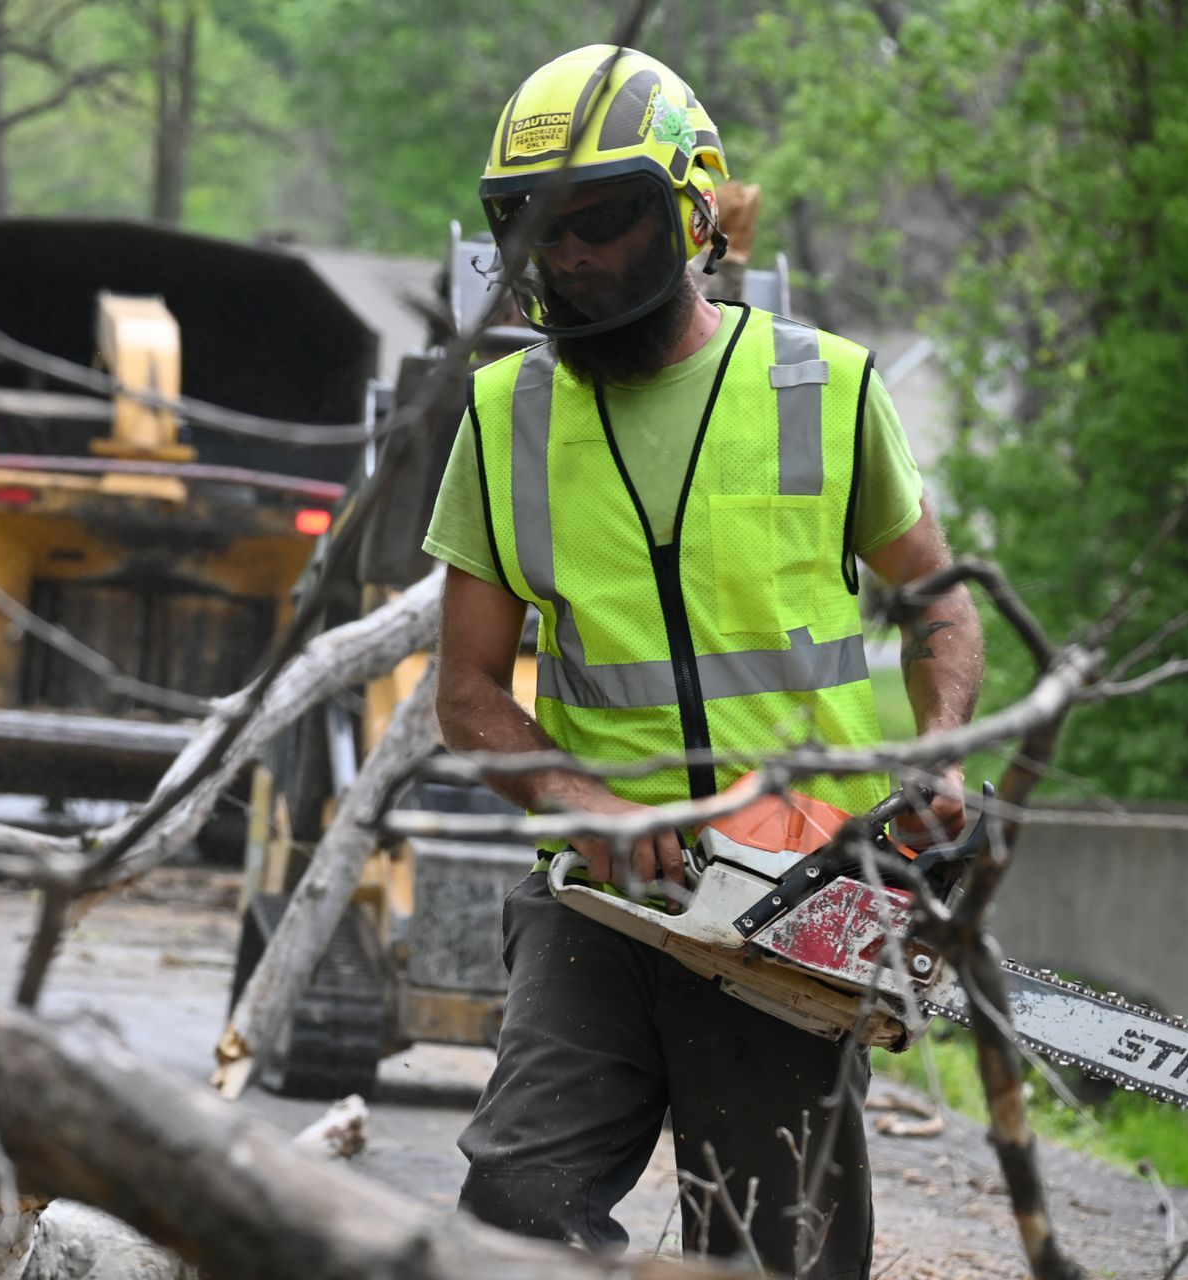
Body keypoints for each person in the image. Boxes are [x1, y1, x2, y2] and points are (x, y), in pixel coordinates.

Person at [424, 44, 984, 1278]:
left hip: (797, 900)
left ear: (690, 208)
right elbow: (465, 689)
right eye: (534, 229)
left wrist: (937, 754)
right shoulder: (505, 414)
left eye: (601, 219)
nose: (567, 256)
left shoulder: (823, 387)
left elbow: (939, 608)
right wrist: (591, 805)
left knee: (775, 1255)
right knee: (518, 1202)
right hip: (603, 895)